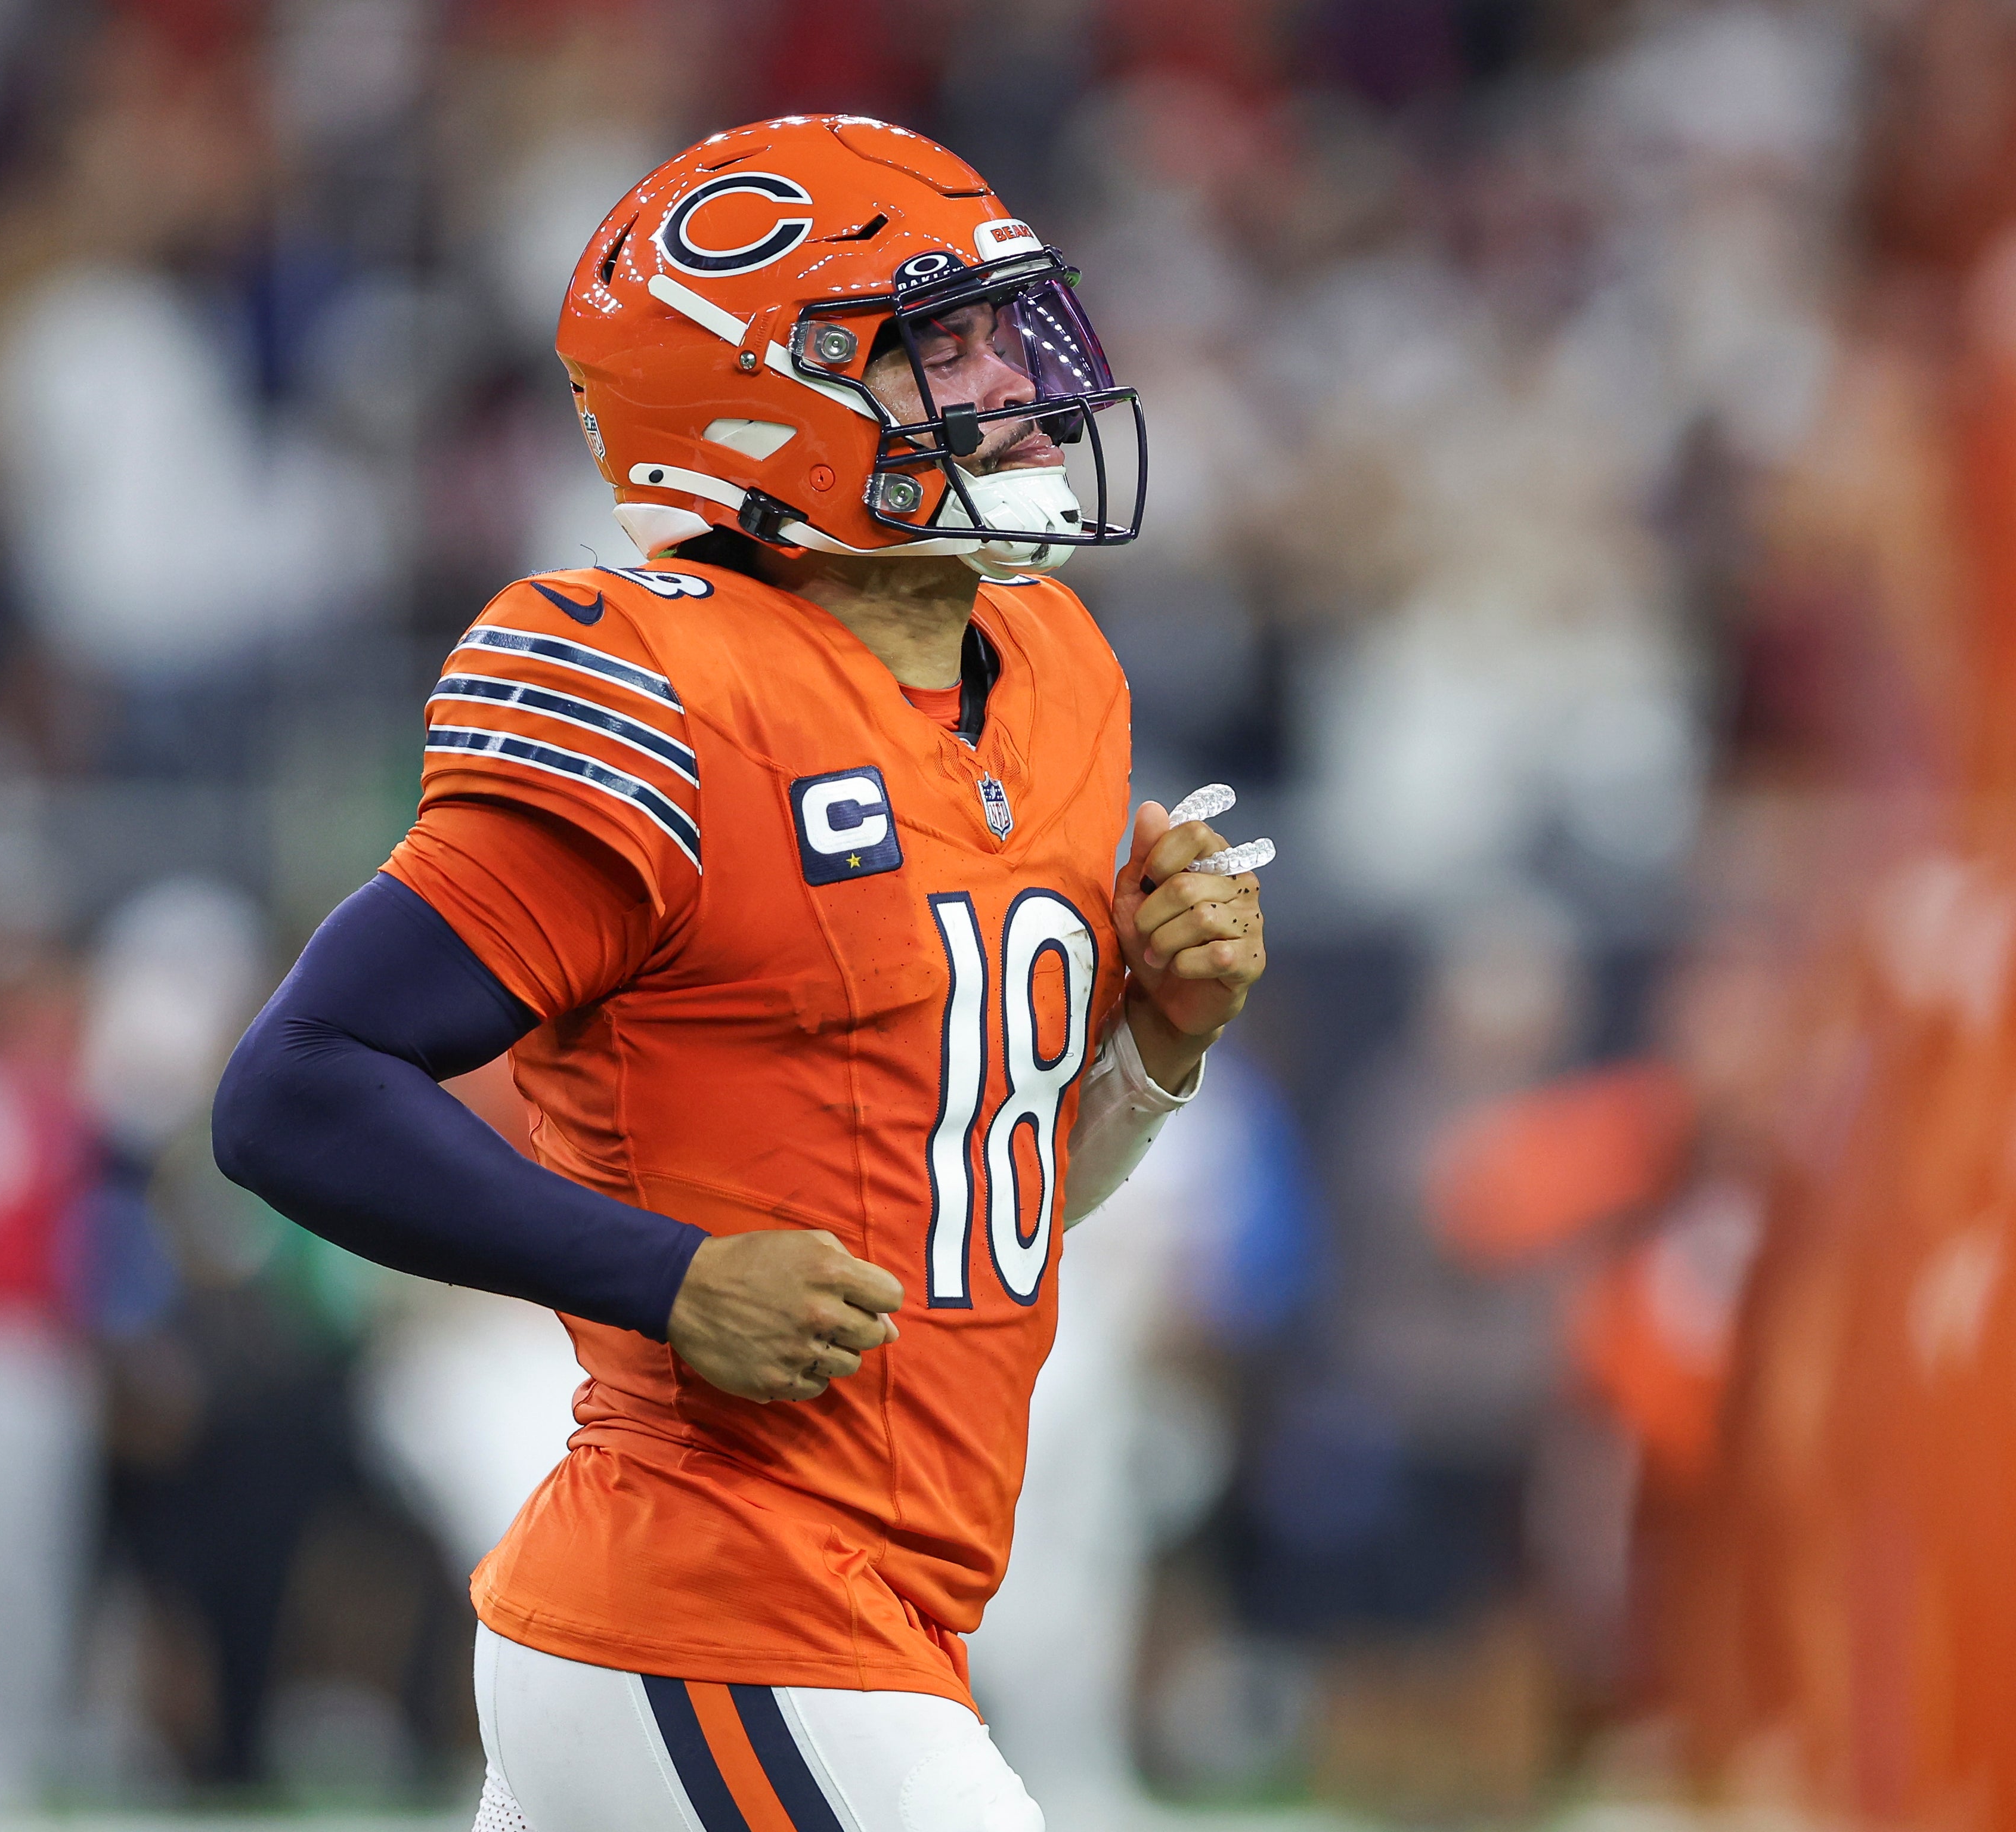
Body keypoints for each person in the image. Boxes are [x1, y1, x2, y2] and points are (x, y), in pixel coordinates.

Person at [216, 117, 1269, 1828]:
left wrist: (1154, 1046)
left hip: (874, 1609)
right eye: (941, 345)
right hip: (720, 1610)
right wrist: (667, 1274)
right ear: (764, 402)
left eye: (1010, 330)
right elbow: (295, 1087)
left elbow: (973, 1203)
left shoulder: (1055, 669)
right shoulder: (666, 684)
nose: (1011, 381)